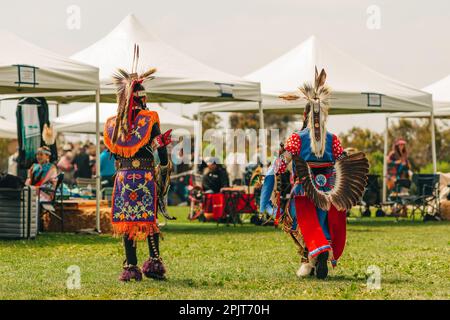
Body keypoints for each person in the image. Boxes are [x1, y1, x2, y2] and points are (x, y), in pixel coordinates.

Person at [260, 67, 369, 279]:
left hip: (304, 191)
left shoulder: (296, 138)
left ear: (304, 115)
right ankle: (317, 256)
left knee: (298, 224)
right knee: (323, 221)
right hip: (330, 191)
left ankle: (311, 257)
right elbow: (341, 163)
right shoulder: (333, 139)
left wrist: (274, 170)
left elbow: (281, 166)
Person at [103, 45, 173, 282]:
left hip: (123, 178)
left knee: (127, 221)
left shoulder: (113, 124)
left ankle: (131, 266)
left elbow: (113, 153)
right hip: (144, 176)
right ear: (142, 98)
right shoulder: (150, 118)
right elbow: (160, 149)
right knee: (148, 220)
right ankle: (153, 263)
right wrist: (164, 167)